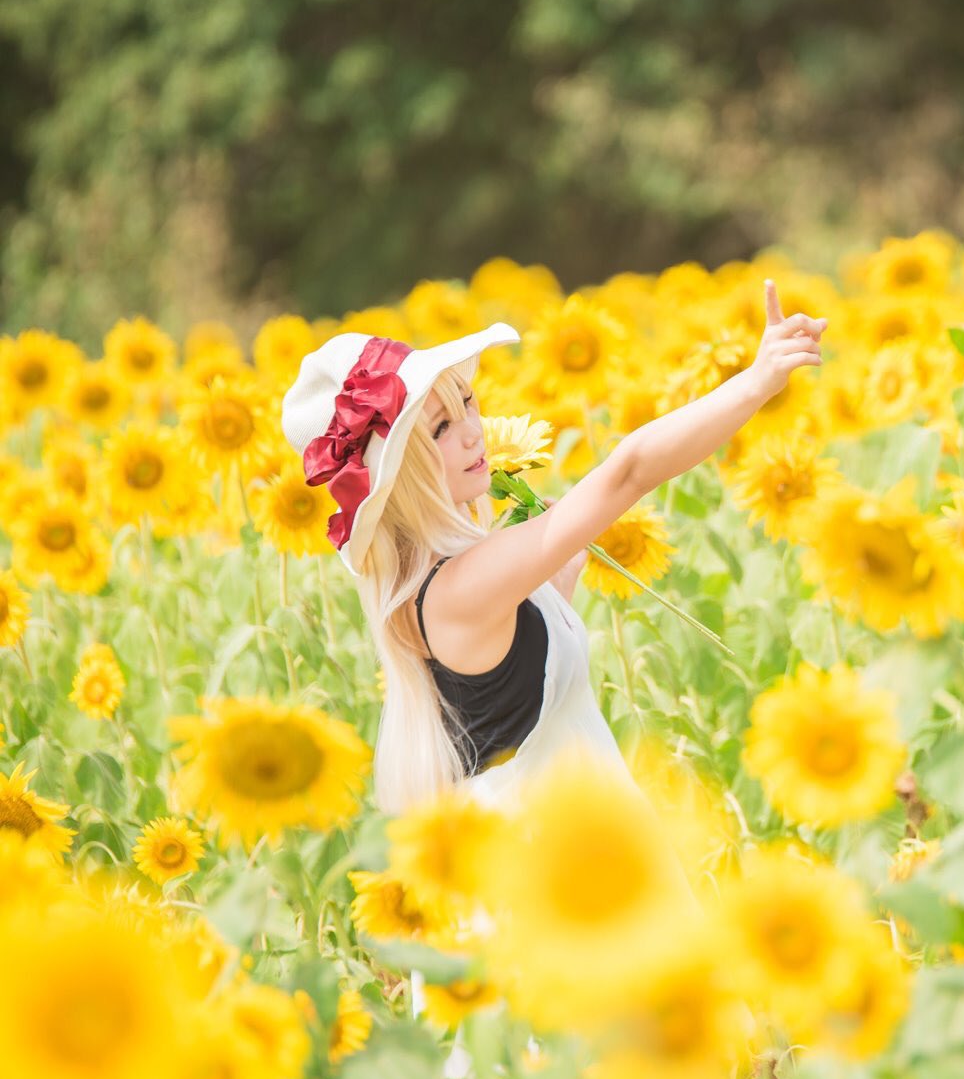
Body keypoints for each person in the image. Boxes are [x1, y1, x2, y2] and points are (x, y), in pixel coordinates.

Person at [279, 280, 826, 816]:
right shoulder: (459, 589)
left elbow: (522, 683)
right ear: (399, 476)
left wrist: (554, 572)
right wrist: (756, 382)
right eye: (442, 428)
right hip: (551, 873)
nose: (474, 432)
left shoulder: (442, 583)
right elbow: (628, 471)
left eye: (468, 401)